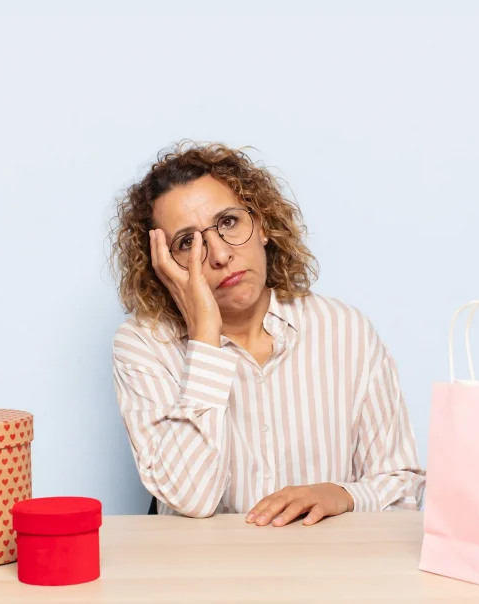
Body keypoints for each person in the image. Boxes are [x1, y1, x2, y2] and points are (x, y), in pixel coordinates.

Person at [109, 141, 425, 527]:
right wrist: (204, 338)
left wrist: (343, 495)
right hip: (202, 578)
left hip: (327, 573)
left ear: (261, 225)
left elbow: (404, 489)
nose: (220, 255)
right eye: (187, 242)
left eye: (228, 222)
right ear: (163, 266)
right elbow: (191, 498)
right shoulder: (144, 346)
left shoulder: (345, 330)